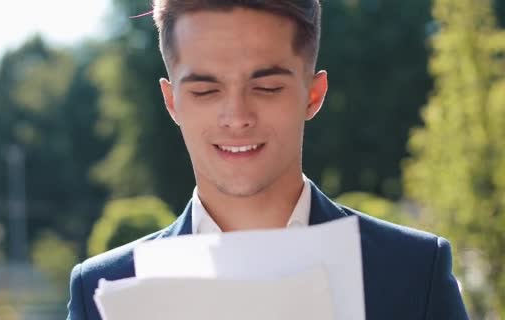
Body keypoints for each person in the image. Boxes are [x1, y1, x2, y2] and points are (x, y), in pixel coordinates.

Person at [67, 1, 469, 319]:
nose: (237, 116)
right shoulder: (102, 289)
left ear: (313, 94)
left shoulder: (414, 273)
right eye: (206, 91)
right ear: (172, 102)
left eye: (266, 87)